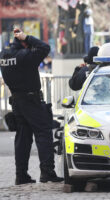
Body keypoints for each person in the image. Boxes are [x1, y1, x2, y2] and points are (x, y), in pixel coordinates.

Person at [0, 28, 63, 185]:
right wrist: (27, 37)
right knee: (44, 133)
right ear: (23, 43)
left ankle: (21, 175)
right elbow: (45, 48)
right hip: (31, 100)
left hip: (16, 101)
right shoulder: (24, 56)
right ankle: (47, 172)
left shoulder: (3, 56)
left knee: (22, 138)